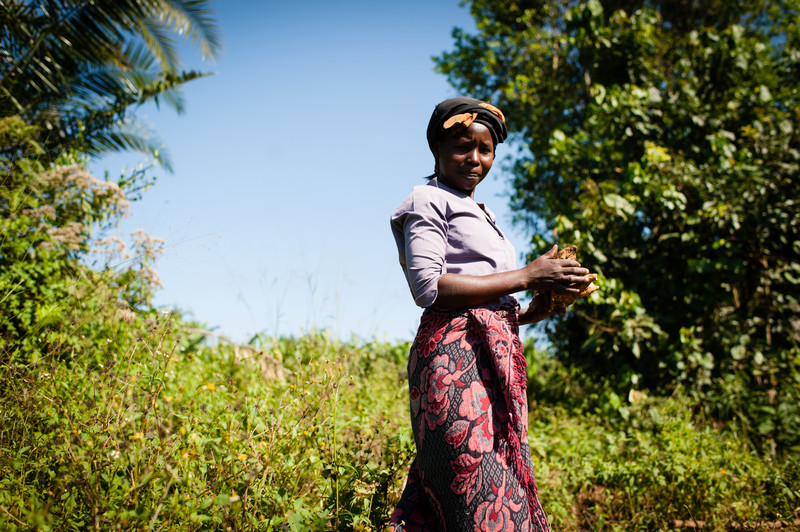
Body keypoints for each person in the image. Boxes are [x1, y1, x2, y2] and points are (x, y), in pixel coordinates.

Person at [388, 97, 593, 531]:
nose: (475, 159)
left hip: (490, 365)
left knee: (501, 488)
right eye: (463, 146)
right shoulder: (426, 199)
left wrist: (545, 302)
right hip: (452, 367)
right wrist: (528, 274)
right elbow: (429, 289)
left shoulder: (485, 213)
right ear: (437, 149)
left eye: (486, 150)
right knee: (475, 490)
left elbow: (490, 311)